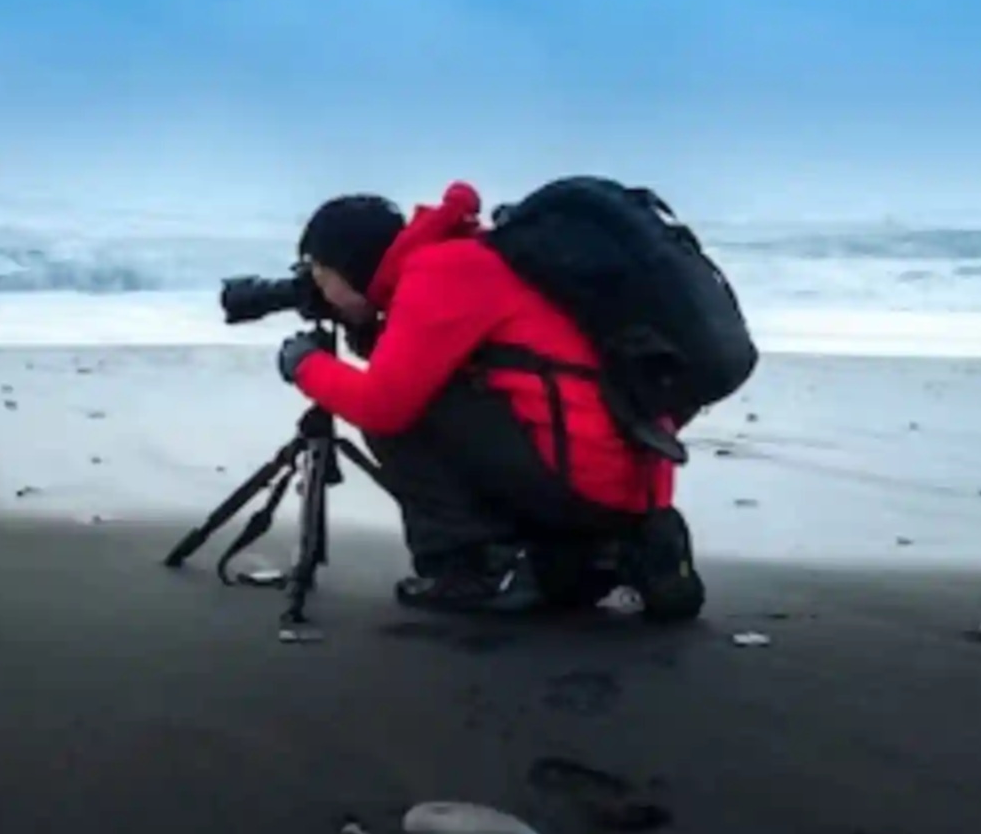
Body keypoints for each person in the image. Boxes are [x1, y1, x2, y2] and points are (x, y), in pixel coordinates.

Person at [272, 182, 705, 620]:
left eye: (320, 274)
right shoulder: (473, 256)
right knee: (429, 392)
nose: (317, 288)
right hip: (627, 474)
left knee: (398, 415)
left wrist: (305, 365)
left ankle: (478, 569)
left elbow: (382, 404)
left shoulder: (439, 271)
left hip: (588, 478)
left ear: (347, 268)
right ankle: (591, 554)